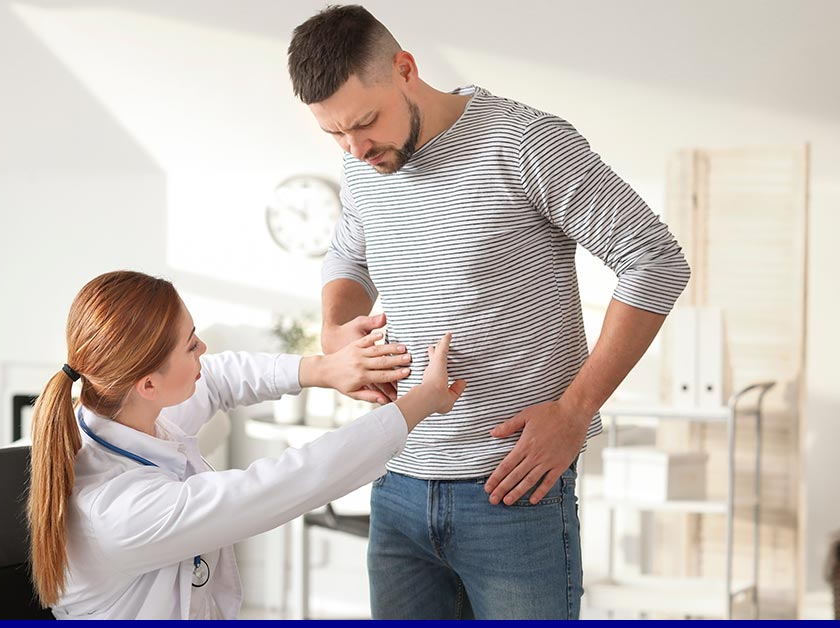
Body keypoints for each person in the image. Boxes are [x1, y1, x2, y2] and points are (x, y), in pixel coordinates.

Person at [286, 5, 691, 620]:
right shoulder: (362, 160)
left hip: (513, 486)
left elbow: (655, 260)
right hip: (395, 481)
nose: (355, 147)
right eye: (334, 134)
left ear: (405, 68)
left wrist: (577, 411)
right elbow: (348, 255)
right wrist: (336, 329)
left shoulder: (527, 143)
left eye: (365, 123)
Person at [27, 270, 466, 619]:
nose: (203, 348)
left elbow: (217, 379)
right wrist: (419, 403)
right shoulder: (121, 512)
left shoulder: (118, 416)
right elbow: (289, 482)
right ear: (147, 384)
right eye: (189, 345)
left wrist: (323, 370)